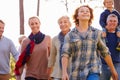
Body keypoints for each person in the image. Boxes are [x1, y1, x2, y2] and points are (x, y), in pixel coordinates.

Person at [61, 5, 118, 80]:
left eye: (87, 11)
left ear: (90, 15)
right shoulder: (70, 35)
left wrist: (113, 70)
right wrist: (64, 72)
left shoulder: (97, 33)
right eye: (82, 11)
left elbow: (105, 52)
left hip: (93, 72)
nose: (85, 12)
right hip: (75, 74)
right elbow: (65, 54)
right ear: (77, 16)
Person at [48, 15, 71, 80]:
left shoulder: (75, 36)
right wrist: (49, 72)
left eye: (65, 22)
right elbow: (52, 56)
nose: (63, 24)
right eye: (60, 22)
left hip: (72, 72)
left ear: (70, 24)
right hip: (57, 73)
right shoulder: (55, 39)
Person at [100, 14, 120, 80]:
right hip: (103, 64)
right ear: (106, 22)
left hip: (117, 63)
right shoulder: (101, 34)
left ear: (117, 23)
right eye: (110, 21)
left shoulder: (119, 34)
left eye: (114, 21)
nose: (112, 22)